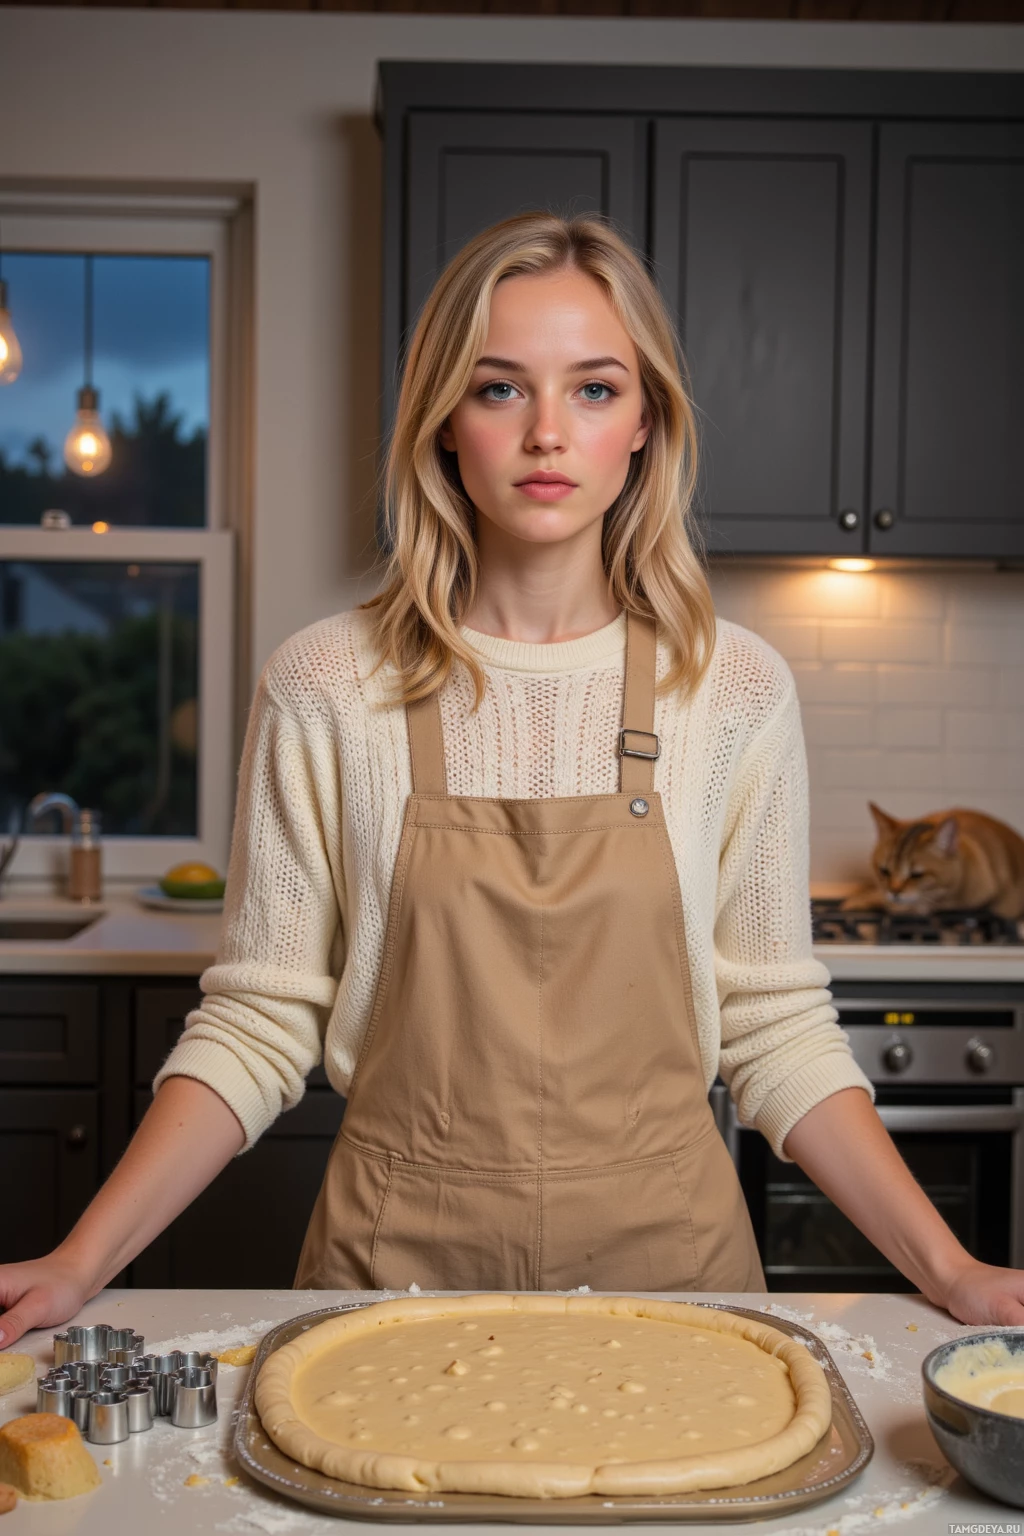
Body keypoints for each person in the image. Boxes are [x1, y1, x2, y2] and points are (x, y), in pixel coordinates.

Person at [1, 212, 1021, 1344]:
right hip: (389, 1285)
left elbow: (773, 1026)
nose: (547, 433)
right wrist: (78, 1262)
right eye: (498, 389)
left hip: (675, 1282)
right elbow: (257, 1023)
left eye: (592, 389)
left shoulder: (730, 688)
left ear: (644, 425)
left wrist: (952, 1267)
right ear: (443, 422)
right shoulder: (328, 683)